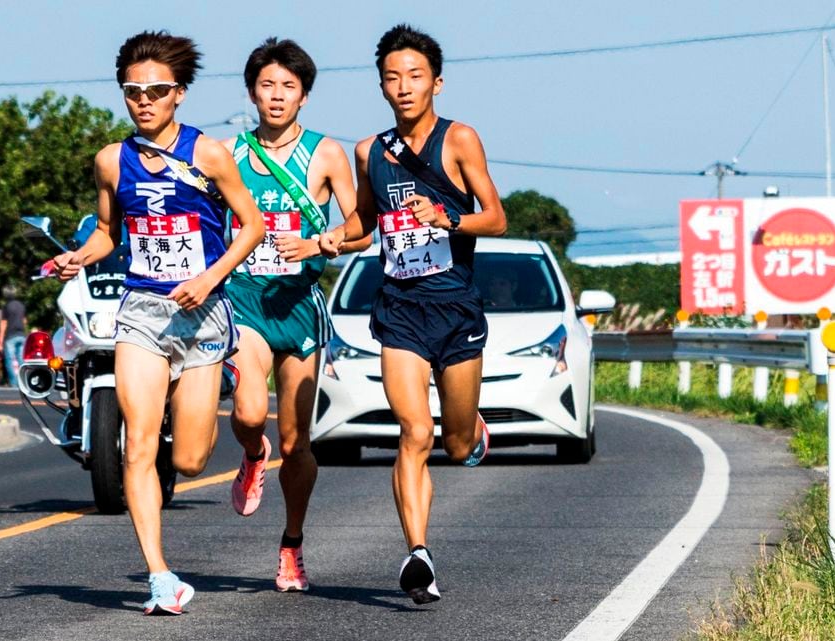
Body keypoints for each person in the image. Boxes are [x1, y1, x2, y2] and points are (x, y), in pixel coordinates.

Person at [52, 30, 264, 615]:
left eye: (157, 90)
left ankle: (231, 408)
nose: (144, 100)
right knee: (138, 446)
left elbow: (251, 226)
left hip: (201, 313)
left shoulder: (209, 154)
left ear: (180, 95)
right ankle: (160, 578)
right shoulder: (110, 161)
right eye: (133, 91)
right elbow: (106, 232)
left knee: (191, 458)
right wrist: (80, 256)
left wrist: (209, 277)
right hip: (142, 314)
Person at [319, 24, 507, 605]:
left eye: (415, 76)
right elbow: (366, 222)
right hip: (399, 308)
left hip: (455, 306)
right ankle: (419, 554)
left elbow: (497, 218)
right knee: (414, 432)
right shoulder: (369, 151)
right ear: (381, 86)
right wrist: (333, 238)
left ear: (437, 83)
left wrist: (446, 218)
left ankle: (470, 424)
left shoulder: (460, 141)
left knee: (452, 443)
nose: (404, 87)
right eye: (393, 78)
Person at [221, 37, 370, 593]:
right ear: (252, 92)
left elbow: (361, 227)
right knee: (248, 409)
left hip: (301, 306)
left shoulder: (326, 153)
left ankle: (291, 544)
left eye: (288, 86)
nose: (276, 95)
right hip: (245, 299)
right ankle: (249, 452)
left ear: (304, 96)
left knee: (296, 443)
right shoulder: (228, 154)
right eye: (267, 85)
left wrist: (323, 243)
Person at [0, 289, 25, 387]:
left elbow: (4, 322)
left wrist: (0, 339)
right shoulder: (21, 305)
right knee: (21, 359)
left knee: (10, 359)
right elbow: (24, 320)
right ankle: (23, 382)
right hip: (21, 334)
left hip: (11, 335)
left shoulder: (6, 306)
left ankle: (14, 383)